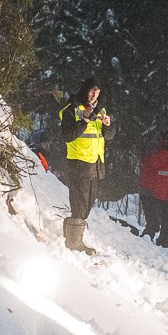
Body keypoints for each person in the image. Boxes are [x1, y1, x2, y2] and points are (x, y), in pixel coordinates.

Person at [57, 79, 111, 253]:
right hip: (79, 162)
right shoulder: (72, 109)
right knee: (79, 203)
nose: (94, 95)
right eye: (91, 91)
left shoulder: (100, 110)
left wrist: (109, 126)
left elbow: (108, 136)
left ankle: (72, 236)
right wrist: (85, 120)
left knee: (87, 204)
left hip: (95, 162)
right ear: (85, 91)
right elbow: (68, 134)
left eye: (97, 92)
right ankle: (73, 243)